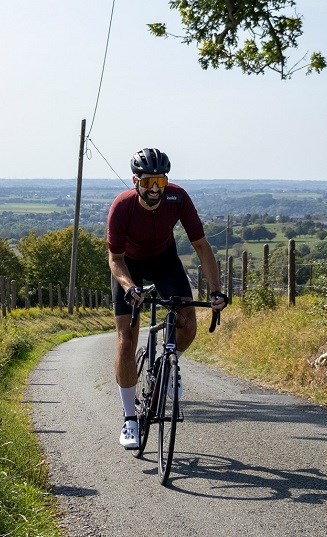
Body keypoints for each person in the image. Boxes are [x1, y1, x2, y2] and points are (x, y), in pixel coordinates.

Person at [106, 147, 227, 450]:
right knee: (126, 338)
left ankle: (167, 363)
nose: (155, 189)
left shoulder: (178, 198)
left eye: (160, 182)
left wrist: (215, 290)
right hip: (128, 266)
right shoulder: (122, 207)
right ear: (136, 182)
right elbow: (115, 258)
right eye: (148, 183)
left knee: (188, 324)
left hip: (164, 261)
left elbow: (201, 245)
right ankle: (130, 418)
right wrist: (130, 287)